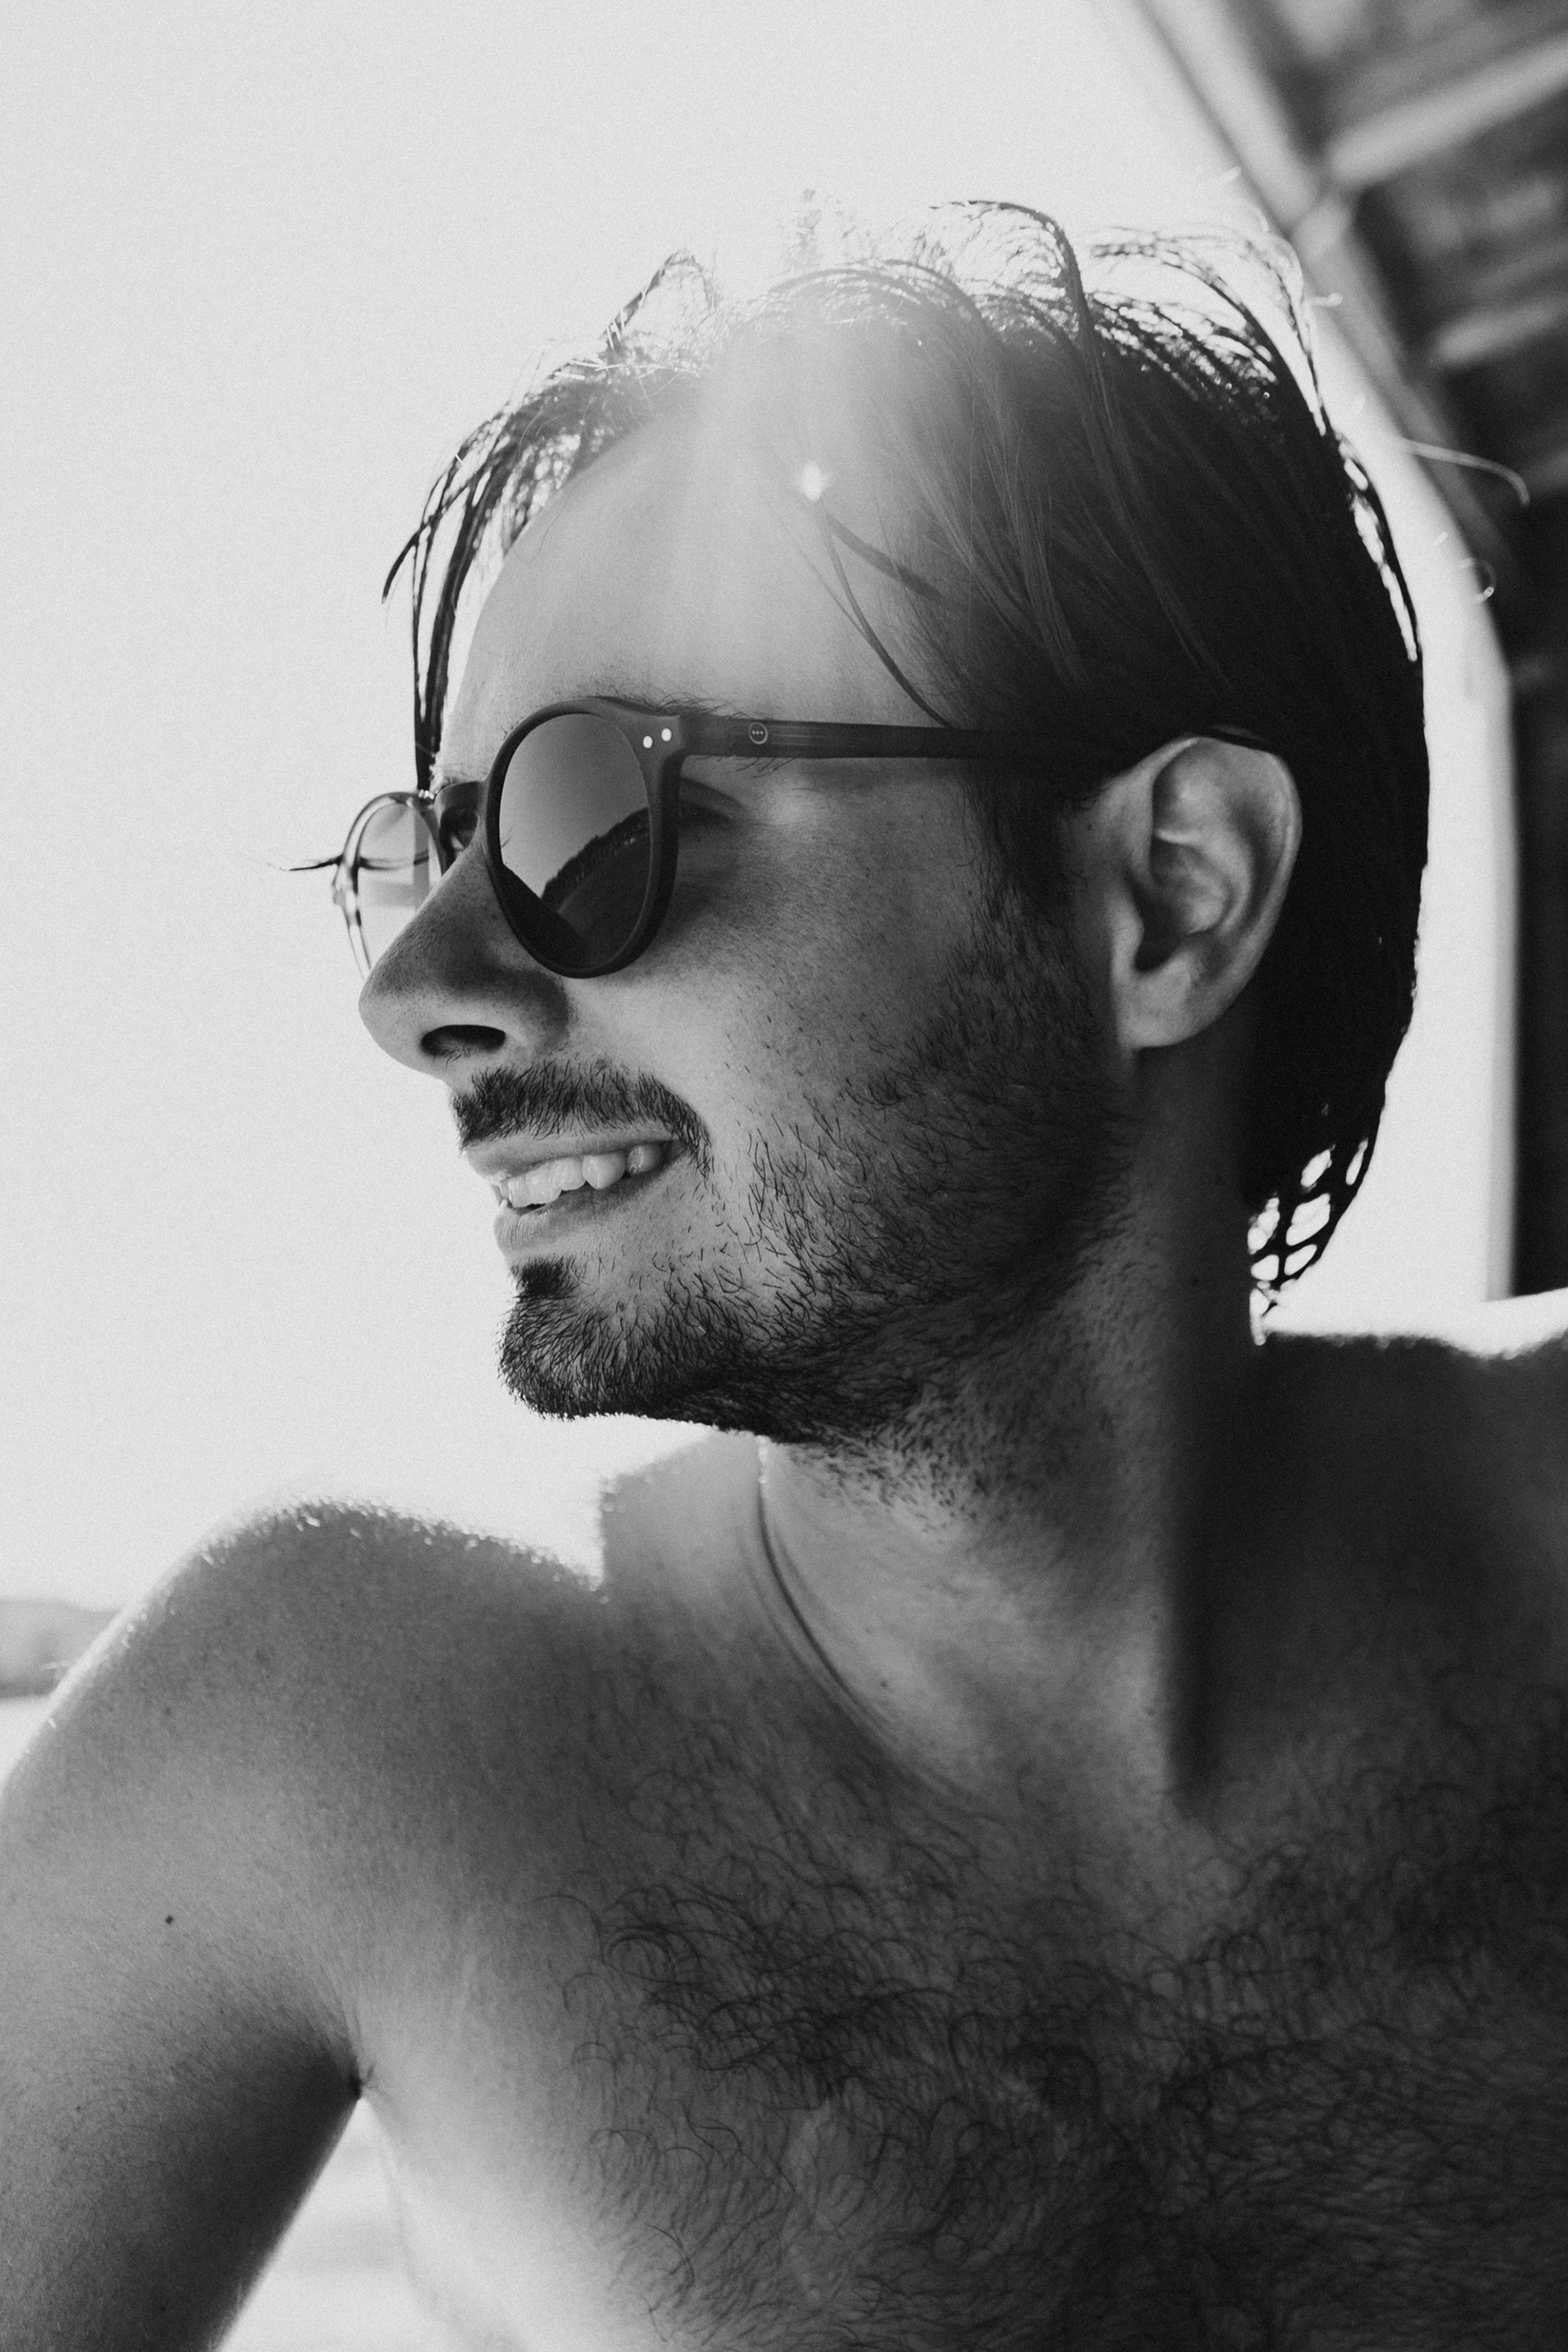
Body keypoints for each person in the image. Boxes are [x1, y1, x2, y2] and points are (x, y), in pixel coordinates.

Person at [3, 204, 1566, 2350]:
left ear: (1172, 894)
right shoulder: (344, 1737)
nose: (418, 989)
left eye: (589, 823)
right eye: (425, 847)